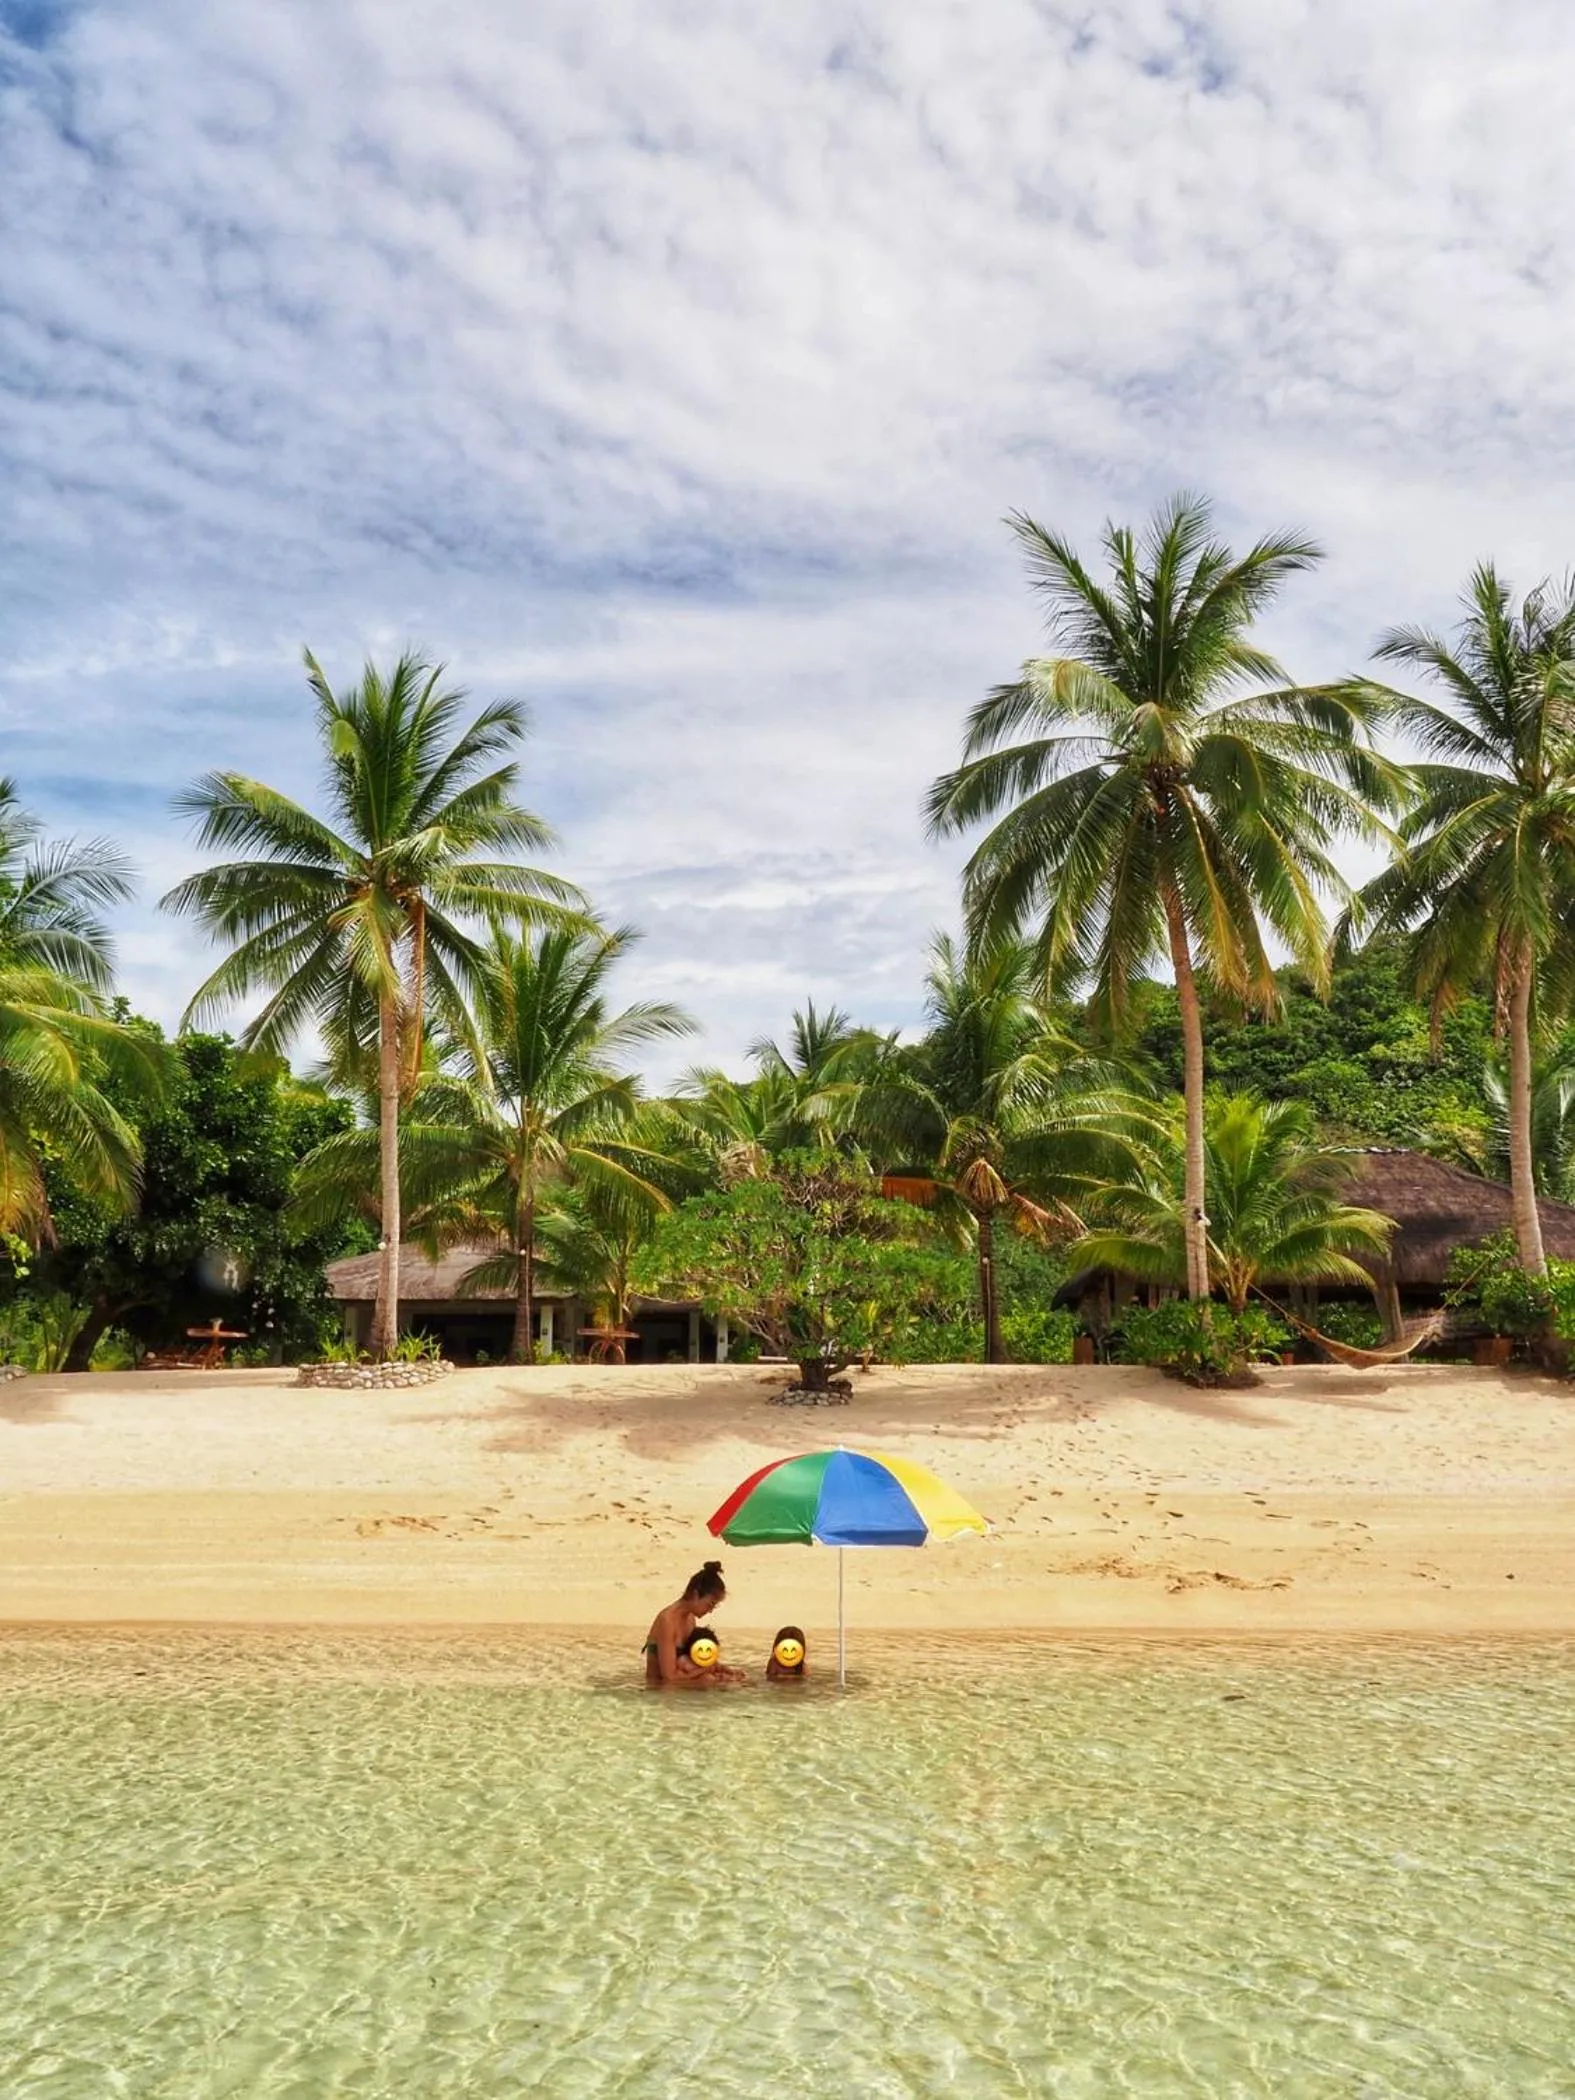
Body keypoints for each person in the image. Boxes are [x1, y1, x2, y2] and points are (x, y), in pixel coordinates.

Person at [643, 1560, 727, 1687]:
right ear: (695, 1595)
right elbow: (669, 1677)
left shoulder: (690, 1618)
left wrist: (721, 1669)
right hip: (661, 1692)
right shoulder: (667, 1620)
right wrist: (706, 1671)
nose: (709, 1611)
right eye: (710, 1605)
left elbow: (693, 1659)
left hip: (680, 1687)